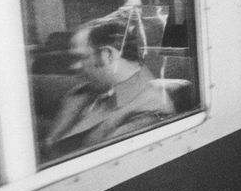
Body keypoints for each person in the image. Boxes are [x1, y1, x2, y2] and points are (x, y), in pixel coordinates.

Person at [44, 18, 175, 159]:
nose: (74, 67)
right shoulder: (81, 92)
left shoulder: (150, 110)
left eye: (80, 57)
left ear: (108, 55)